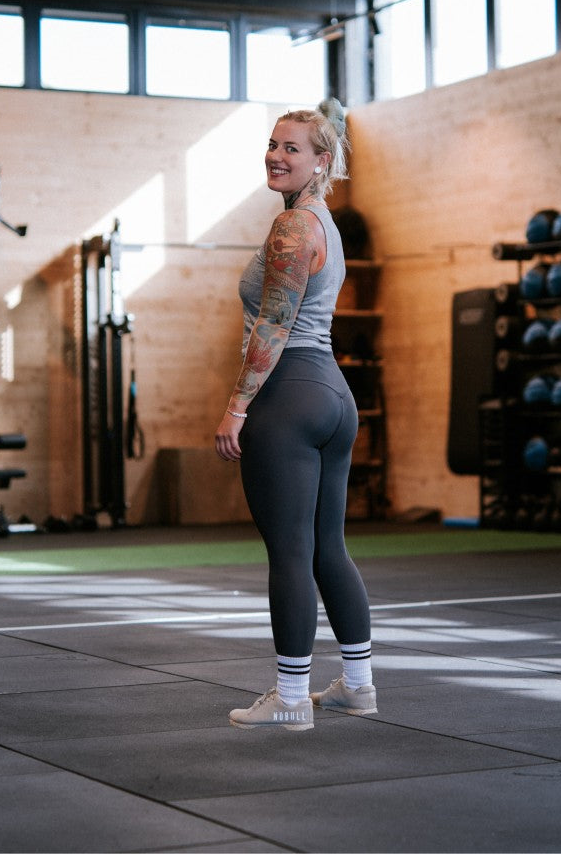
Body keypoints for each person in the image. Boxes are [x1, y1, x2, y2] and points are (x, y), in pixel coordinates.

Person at [214, 98, 376, 731]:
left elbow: (276, 323)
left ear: (321, 160)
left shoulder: (293, 227)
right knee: (325, 549)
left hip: (290, 395)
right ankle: (357, 685)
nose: (277, 156)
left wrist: (237, 406)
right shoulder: (325, 224)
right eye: (273, 144)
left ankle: (288, 700)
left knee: (289, 551)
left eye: (292, 148)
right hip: (332, 395)